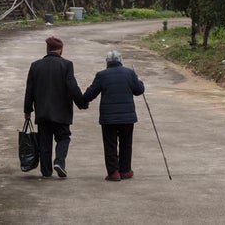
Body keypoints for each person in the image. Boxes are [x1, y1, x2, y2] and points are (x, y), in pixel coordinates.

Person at [24, 36, 86, 178]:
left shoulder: (35, 65)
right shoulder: (66, 65)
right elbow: (72, 86)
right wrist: (81, 103)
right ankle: (59, 162)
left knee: (44, 142)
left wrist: (27, 110)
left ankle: (46, 172)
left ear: (47, 49)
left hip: (43, 112)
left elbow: (29, 90)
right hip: (61, 112)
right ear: (61, 50)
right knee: (63, 137)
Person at [82, 50, 144, 181]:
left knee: (110, 144)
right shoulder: (130, 73)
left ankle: (113, 172)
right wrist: (140, 81)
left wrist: (82, 100)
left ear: (107, 62)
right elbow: (139, 91)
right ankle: (125, 170)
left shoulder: (102, 75)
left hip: (108, 118)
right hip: (127, 117)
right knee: (126, 144)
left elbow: (91, 93)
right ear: (120, 61)